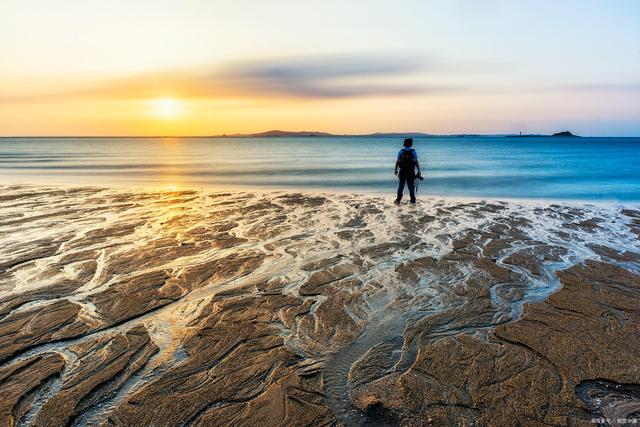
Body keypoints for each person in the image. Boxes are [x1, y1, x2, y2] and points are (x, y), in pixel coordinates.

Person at [394, 138, 421, 204]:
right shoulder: (413, 151)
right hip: (411, 172)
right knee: (411, 186)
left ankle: (398, 200)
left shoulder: (401, 151)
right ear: (411, 144)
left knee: (401, 186)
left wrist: (396, 170)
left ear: (404, 143)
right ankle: (412, 200)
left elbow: (398, 161)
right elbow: (416, 161)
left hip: (402, 171)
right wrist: (419, 170)